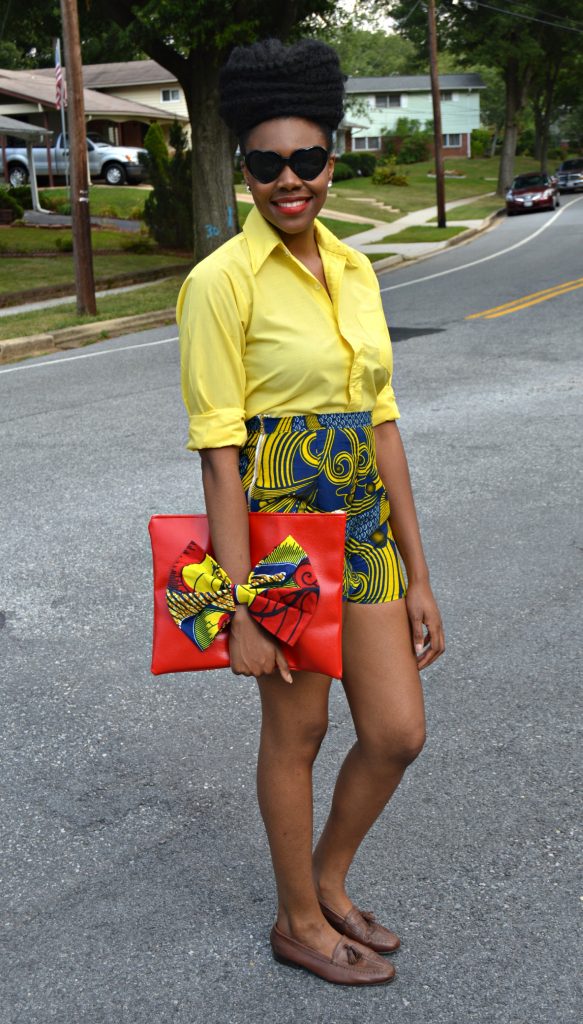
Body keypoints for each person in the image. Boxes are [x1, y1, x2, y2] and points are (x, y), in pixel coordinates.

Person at [176, 38, 445, 986]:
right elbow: (218, 457)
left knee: (396, 733)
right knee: (297, 733)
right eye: (264, 164)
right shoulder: (220, 282)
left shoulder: (357, 271)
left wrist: (417, 573)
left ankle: (328, 877)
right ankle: (298, 919)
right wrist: (238, 605)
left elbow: (382, 429)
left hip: (363, 531)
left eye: (306, 160)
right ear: (244, 169)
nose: (287, 181)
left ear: (333, 157)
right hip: (280, 541)